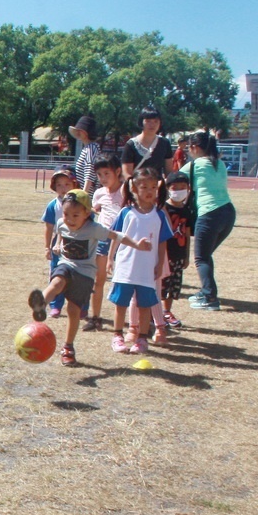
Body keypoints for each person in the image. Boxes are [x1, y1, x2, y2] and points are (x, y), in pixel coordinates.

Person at [27, 189, 146, 367]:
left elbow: (116, 236)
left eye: (75, 215)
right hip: (66, 265)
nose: (70, 219)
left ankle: (68, 347)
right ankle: (41, 303)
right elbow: (60, 231)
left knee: (74, 311)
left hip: (85, 273)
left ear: (86, 214)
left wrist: (136, 244)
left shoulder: (94, 229)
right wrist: (58, 244)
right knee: (57, 281)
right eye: (66, 214)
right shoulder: (61, 223)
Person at [107, 168, 173, 355]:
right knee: (121, 304)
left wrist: (160, 264)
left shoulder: (159, 214)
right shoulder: (126, 212)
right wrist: (111, 258)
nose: (150, 191)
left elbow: (162, 241)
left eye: (153, 187)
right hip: (126, 267)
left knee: (144, 304)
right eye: (144, 187)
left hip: (147, 269)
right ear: (134, 189)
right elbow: (116, 236)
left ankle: (142, 338)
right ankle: (118, 336)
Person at [180, 130, 236, 311]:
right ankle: (207, 291)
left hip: (209, 214)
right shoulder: (219, 163)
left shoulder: (195, 165)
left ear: (195, 148)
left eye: (189, 148)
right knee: (205, 255)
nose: (188, 151)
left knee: (201, 258)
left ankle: (209, 296)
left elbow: (173, 180)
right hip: (227, 212)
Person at [87, 154, 124, 331]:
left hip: (124, 241)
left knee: (124, 281)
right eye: (99, 174)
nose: (103, 178)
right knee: (98, 280)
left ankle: (135, 322)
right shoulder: (99, 193)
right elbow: (96, 210)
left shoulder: (126, 191)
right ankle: (95, 317)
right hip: (102, 240)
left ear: (118, 171)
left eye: (107, 173)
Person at [41, 167, 80, 319]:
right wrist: (47, 247)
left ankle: (79, 306)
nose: (63, 188)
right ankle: (55, 306)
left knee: (77, 278)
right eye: (59, 185)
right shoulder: (53, 205)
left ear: (74, 185)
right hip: (58, 247)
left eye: (66, 184)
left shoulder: (80, 202)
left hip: (77, 245)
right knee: (56, 276)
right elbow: (49, 227)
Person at [159, 172, 195, 329]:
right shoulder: (162, 209)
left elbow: (186, 233)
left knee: (173, 285)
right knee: (161, 284)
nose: (179, 191)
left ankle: (167, 311)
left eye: (183, 187)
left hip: (178, 254)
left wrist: (186, 255)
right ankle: (157, 312)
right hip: (164, 254)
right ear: (167, 188)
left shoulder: (186, 210)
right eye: (175, 187)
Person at [120, 106, 174, 181]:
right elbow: (127, 173)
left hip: (157, 188)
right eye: (148, 121)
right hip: (137, 188)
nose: (152, 124)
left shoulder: (165, 143)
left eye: (156, 121)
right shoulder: (131, 145)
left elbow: (169, 171)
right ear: (141, 122)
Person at [69, 115, 100, 194]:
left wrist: (84, 193)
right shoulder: (87, 148)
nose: (77, 133)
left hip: (90, 196)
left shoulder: (92, 148)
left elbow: (90, 171)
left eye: (80, 130)